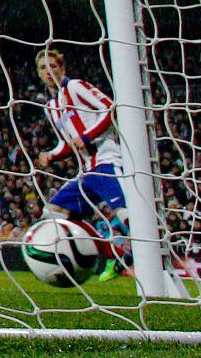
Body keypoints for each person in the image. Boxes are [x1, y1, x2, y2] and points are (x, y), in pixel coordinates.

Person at [35, 48, 132, 282]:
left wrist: (87, 136)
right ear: (38, 74)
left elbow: (110, 108)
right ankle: (117, 256)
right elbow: (67, 143)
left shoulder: (75, 87)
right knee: (53, 212)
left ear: (63, 69)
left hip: (107, 161)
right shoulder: (50, 107)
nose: (49, 72)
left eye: (53, 66)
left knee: (127, 215)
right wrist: (52, 155)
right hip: (87, 171)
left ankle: (157, 255)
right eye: (43, 68)